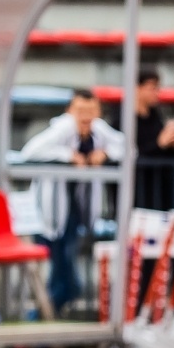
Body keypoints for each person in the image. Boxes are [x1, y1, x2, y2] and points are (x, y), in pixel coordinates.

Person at [20, 89, 126, 317]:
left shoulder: (99, 131)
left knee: (61, 277)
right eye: (80, 111)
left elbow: (127, 147)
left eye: (91, 110)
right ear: (69, 111)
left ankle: (42, 327)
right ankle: (37, 321)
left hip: (75, 213)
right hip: (50, 213)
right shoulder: (62, 130)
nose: (86, 116)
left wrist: (105, 154)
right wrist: (67, 156)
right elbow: (29, 152)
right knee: (66, 281)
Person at [133, 68, 174, 211]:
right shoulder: (123, 118)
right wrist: (160, 143)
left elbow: (164, 150)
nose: (156, 93)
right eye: (152, 88)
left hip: (159, 189)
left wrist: (173, 145)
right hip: (138, 191)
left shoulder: (156, 115)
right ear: (138, 89)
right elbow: (131, 153)